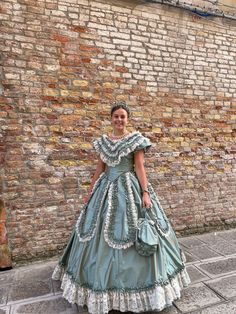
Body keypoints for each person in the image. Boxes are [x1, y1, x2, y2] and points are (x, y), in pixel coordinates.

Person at [52, 101, 191, 314]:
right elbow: (100, 167)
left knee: (139, 230)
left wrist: (145, 193)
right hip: (106, 188)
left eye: (123, 116)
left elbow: (139, 166)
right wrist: (90, 192)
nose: (119, 120)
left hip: (130, 188)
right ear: (111, 118)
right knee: (94, 233)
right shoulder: (103, 142)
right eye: (116, 116)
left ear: (127, 119)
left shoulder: (135, 140)